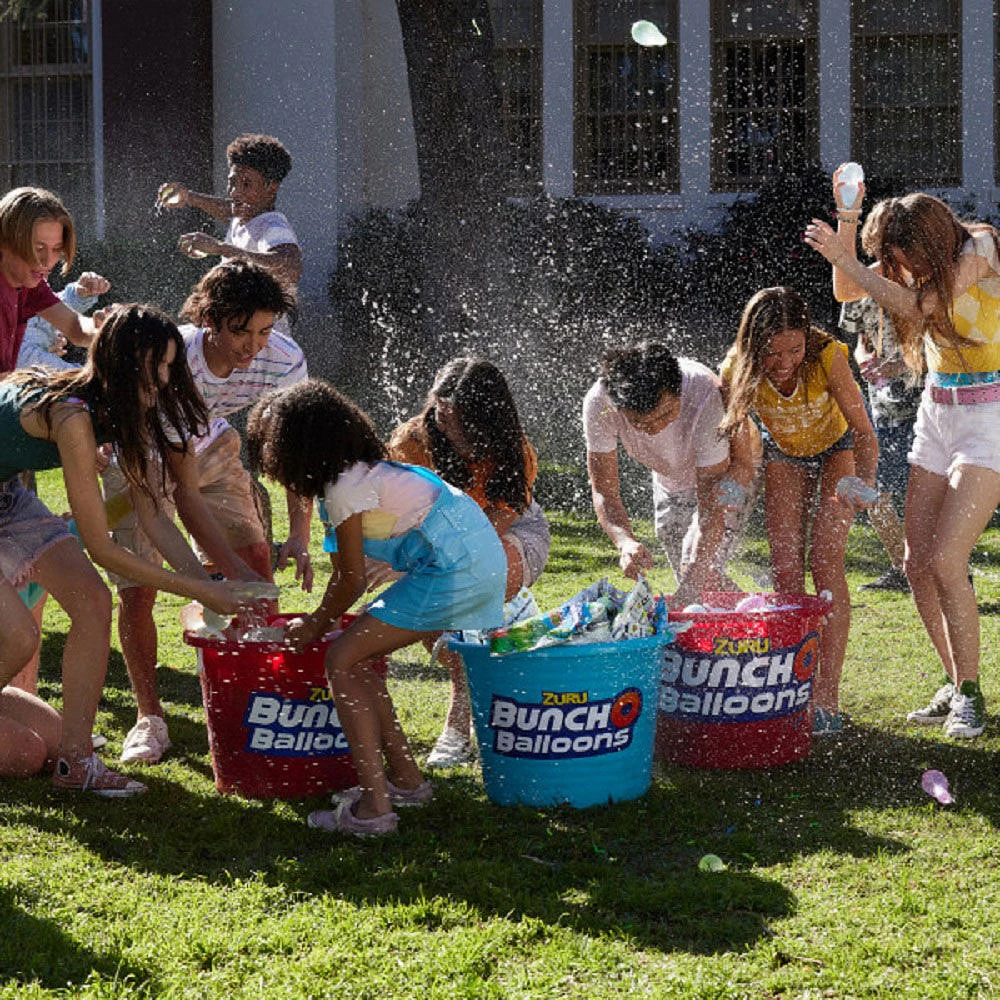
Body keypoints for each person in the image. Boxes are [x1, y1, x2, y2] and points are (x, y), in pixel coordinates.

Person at [0, 303, 247, 795]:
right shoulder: (72, 416)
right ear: (118, 362)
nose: (162, 377)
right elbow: (101, 547)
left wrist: (204, 583)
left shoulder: (124, 413)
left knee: (93, 602)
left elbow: (152, 512)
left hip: (6, 495)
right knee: (20, 639)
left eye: (169, 364)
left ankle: (76, 763)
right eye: (152, 364)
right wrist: (194, 588)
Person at [246, 379, 506, 837]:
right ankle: (405, 780)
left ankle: (374, 808)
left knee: (340, 660)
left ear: (301, 446)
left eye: (272, 444)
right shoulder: (358, 475)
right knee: (356, 658)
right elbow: (349, 571)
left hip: (454, 570)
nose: (269, 457)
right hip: (465, 562)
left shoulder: (346, 487)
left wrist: (315, 624)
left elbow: (349, 579)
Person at [805, 177, 1000, 739]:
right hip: (937, 415)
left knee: (945, 560)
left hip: (988, 421)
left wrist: (848, 256)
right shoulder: (918, 265)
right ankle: (954, 680)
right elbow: (848, 291)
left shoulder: (979, 249)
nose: (895, 267)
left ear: (929, 241)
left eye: (899, 254)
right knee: (915, 563)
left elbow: (919, 308)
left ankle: (971, 693)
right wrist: (849, 216)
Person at [107, 260, 313, 765]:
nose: (254, 346)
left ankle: (256, 700)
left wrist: (301, 535)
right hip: (135, 450)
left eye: (264, 330)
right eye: (241, 332)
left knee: (256, 570)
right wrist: (217, 579)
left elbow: (294, 451)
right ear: (211, 320)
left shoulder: (284, 360)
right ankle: (149, 717)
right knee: (139, 588)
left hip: (209, 439)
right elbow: (184, 496)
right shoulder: (172, 358)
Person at [719, 286, 878, 736]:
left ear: (807, 338)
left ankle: (827, 698)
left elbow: (864, 431)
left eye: (794, 348)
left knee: (825, 560)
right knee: (785, 568)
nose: (785, 361)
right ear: (754, 346)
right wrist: (737, 479)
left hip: (837, 451)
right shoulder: (735, 369)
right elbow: (745, 449)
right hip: (783, 455)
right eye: (772, 353)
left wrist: (861, 482)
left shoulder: (829, 356)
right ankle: (792, 690)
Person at [389, 357, 551, 767]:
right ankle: (505, 626)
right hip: (434, 544)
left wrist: (448, 557)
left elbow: (501, 518)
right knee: (434, 606)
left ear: (488, 418)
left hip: (511, 533)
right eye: (443, 416)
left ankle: (459, 722)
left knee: (464, 581)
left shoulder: (515, 450)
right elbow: (397, 518)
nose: (450, 429)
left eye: (461, 420)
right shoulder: (413, 444)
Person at [583, 341, 760, 607]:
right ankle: (741, 621)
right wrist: (625, 542)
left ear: (679, 392)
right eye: (641, 423)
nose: (655, 428)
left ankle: (757, 627)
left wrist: (690, 587)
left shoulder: (703, 393)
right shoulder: (600, 404)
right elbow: (604, 491)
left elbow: (711, 502)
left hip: (730, 472)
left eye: (666, 415)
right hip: (672, 478)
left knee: (699, 570)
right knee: (692, 578)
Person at [157, 134, 300, 336]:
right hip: (240, 335)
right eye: (232, 182)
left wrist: (220, 248)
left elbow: (290, 267)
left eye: (246, 184)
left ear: (271, 189)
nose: (235, 192)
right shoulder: (247, 213)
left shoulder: (273, 226)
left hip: (266, 345)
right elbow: (227, 210)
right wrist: (189, 197)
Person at [839, 297, 920, 591]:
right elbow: (860, 338)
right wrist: (863, 359)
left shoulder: (921, 286)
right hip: (881, 407)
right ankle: (902, 569)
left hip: (926, 404)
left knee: (929, 494)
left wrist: (898, 365)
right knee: (875, 493)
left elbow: (944, 346)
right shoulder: (857, 287)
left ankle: (947, 569)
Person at [0, 187, 103, 373]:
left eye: (56, 249)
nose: (47, 262)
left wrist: (105, 326)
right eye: (38, 247)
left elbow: (76, 327)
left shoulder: (28, 284)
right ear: (6, 240)